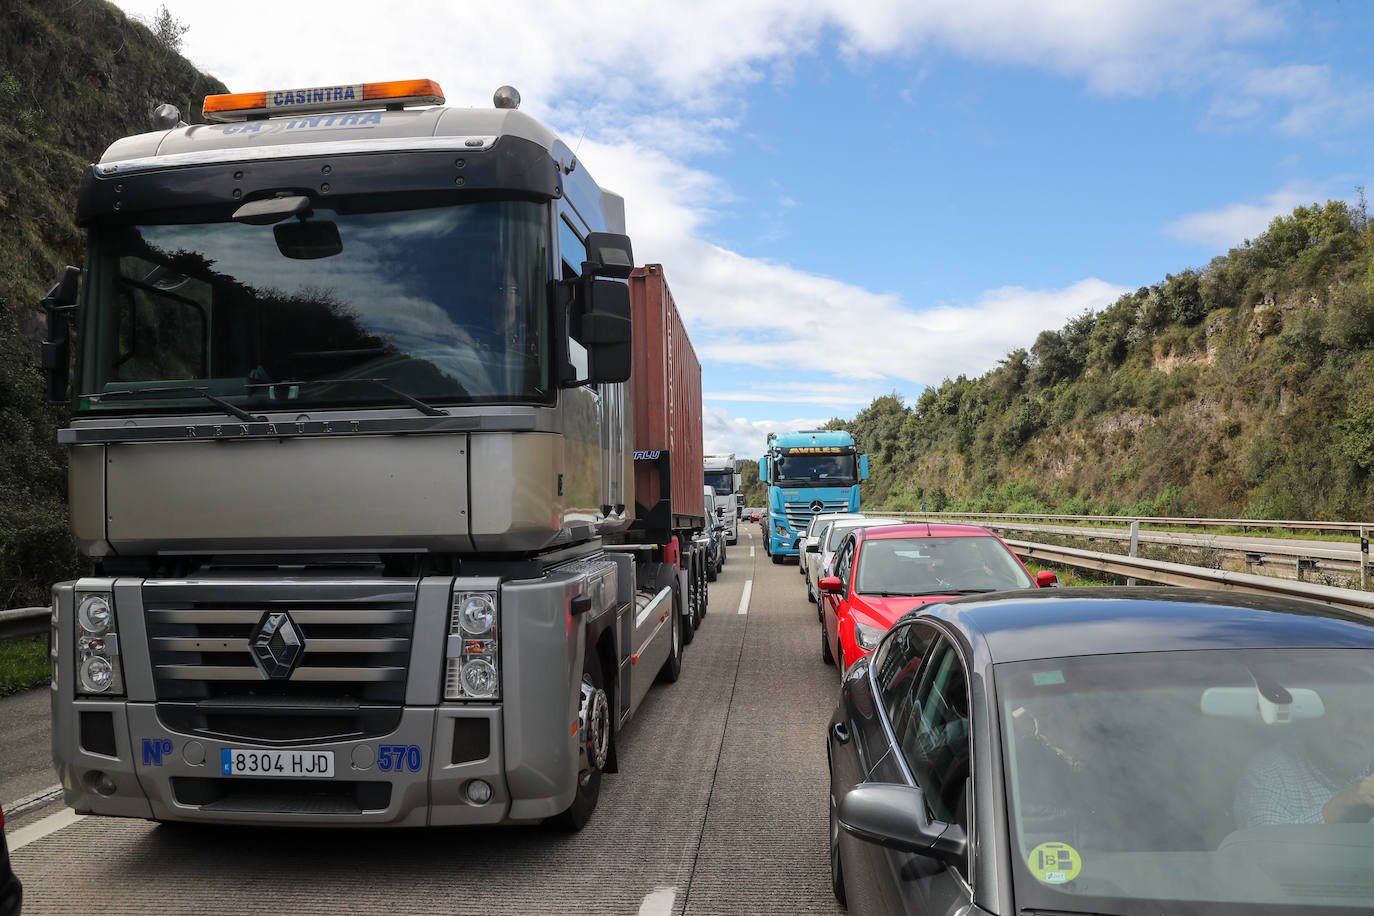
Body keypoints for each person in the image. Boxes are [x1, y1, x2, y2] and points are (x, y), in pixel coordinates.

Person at [1233, 685, 1374, 827]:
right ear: (1314, 716)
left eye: (1367, 716)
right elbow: (1264, 845)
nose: (1356, 727)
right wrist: (1340, 806)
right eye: (1342, 711)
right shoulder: (1270, 772)